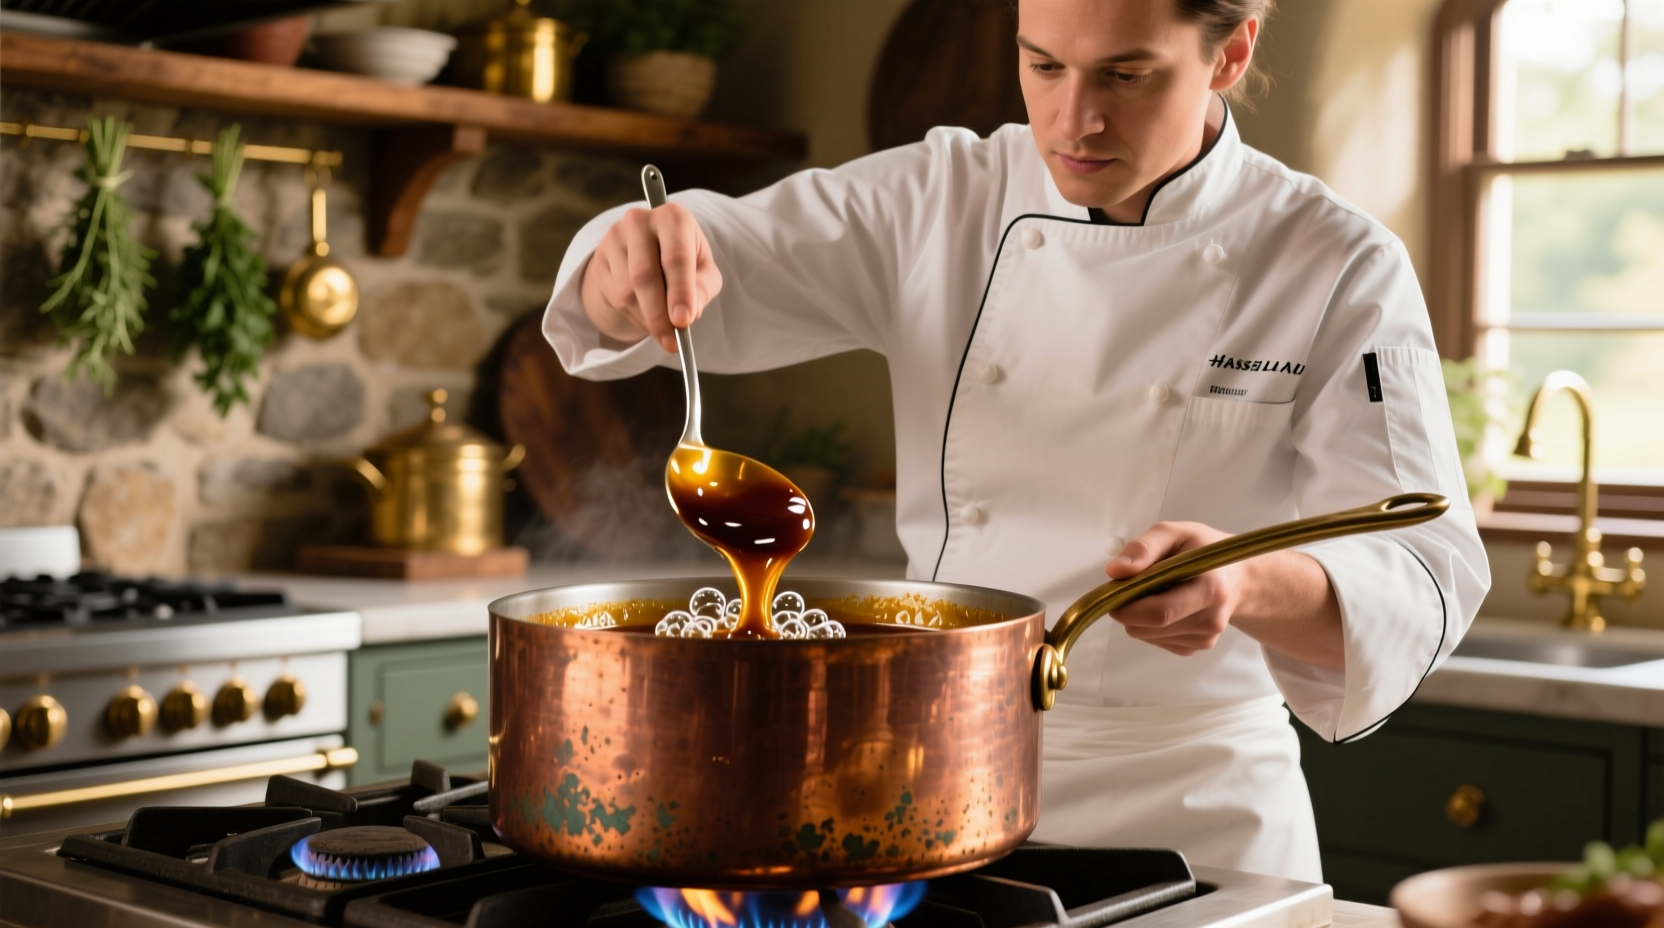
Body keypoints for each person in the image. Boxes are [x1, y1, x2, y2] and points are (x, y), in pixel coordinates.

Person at [541, 0, 1489, 880]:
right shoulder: (944, 193)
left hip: (1199, 812)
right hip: (936, 785)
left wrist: (1244, 581)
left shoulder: (1332, 259)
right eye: (1043, 65)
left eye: (1127, 77)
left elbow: (1424, 568)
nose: (1073, 121)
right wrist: (621, 268)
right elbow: (708, 256)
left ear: (1230, 52)